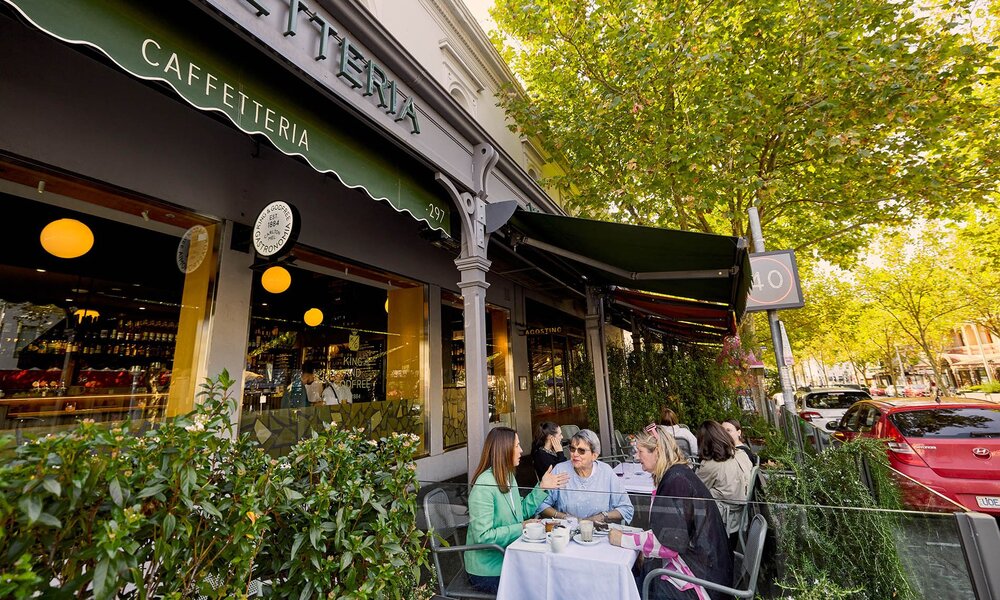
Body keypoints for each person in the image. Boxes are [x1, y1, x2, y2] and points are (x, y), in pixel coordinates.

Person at [609, 424, 732, 600]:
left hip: (701, 581)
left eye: (640, 451)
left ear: (657, 451)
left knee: (642, 581)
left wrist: (622, 539)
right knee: (642, 570)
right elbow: (670, 533)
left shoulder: (676, 482)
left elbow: (670, 544)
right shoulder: (678, 474)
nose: (636, 457)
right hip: (711, 569)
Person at [466, 426, 569, 593]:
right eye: (516, 446)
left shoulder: (508, 476)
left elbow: (520, 511)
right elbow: (483, 537)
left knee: (552, 577)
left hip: (510, 557)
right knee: (540, 584)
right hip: (488, 570)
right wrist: (521, 527)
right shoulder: (484, 486)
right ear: (504, 450)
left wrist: (542, 487)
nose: (521, 450)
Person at [536, 429, 635, 525]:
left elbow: (626, 508)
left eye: (581, 451)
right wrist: (564, 517)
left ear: (594, 455)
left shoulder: (606, 472)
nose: (575, 454)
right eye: (572, 449)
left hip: (599, 532)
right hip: (566, 531)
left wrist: (602, 517)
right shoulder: (560, 470)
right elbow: (541, 504)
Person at [696, 421, 750, 539]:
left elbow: (696, 492)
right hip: (740, 519)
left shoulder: (711, 465)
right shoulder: (742, 454)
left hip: (719, 522)